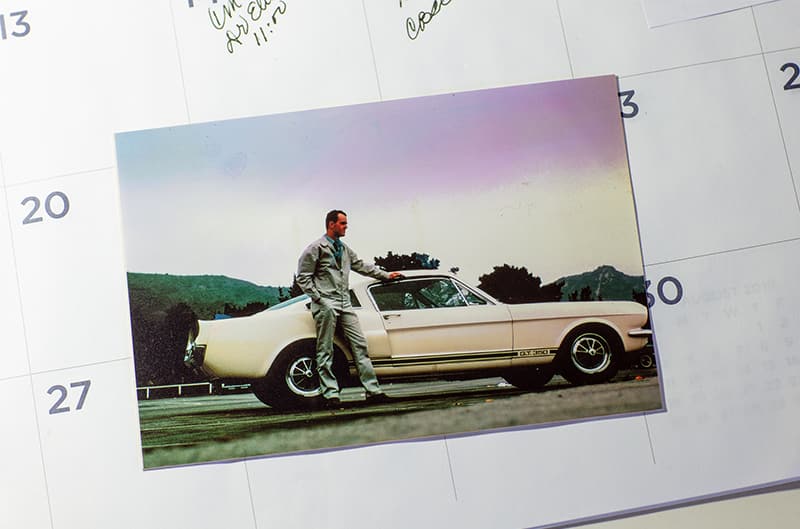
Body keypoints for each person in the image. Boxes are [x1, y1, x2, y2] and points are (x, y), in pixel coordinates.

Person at [296, 210, 402, 408]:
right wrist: (320, 299)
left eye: (346, 223)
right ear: (331, 224)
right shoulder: (315, 248)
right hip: (325, 303)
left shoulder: (344, 249)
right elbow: (303, 277)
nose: (346, 227)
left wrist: (386, 276)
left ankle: (373, 391)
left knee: (360, 345)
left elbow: (361, 265)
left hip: (345, 303)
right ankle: (331, 395)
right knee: (325, 348)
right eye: (343, 223)